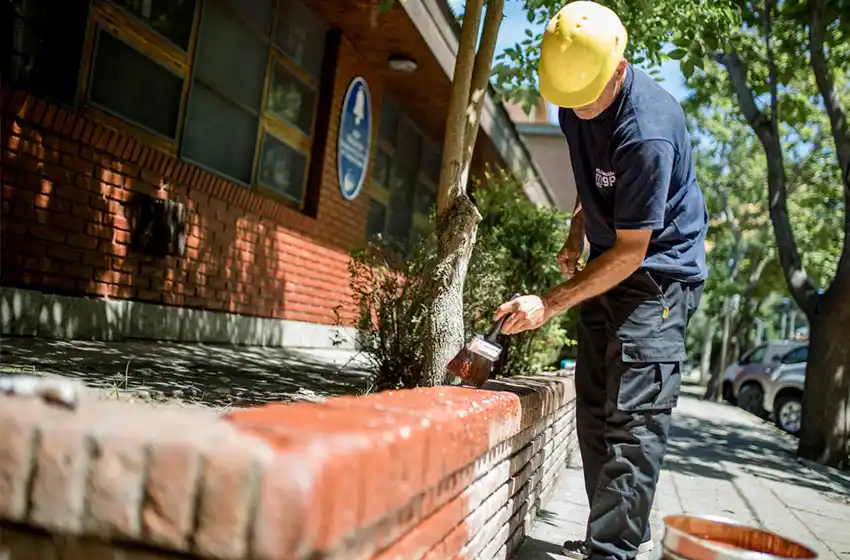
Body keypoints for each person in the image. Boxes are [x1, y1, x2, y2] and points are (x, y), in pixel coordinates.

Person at [493, 2, 709, 560]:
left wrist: (548, 302)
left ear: (619, 68)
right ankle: (607, 537)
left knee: (632, 421)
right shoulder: (573, 103)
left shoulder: (649, 132)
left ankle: (612, 553)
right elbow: (592, 183)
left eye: (590, 97)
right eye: (571, 101)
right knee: (592, 408)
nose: (580, 111)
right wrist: (575, 235)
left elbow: (634, 251)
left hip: (658, 277)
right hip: (610, 261)